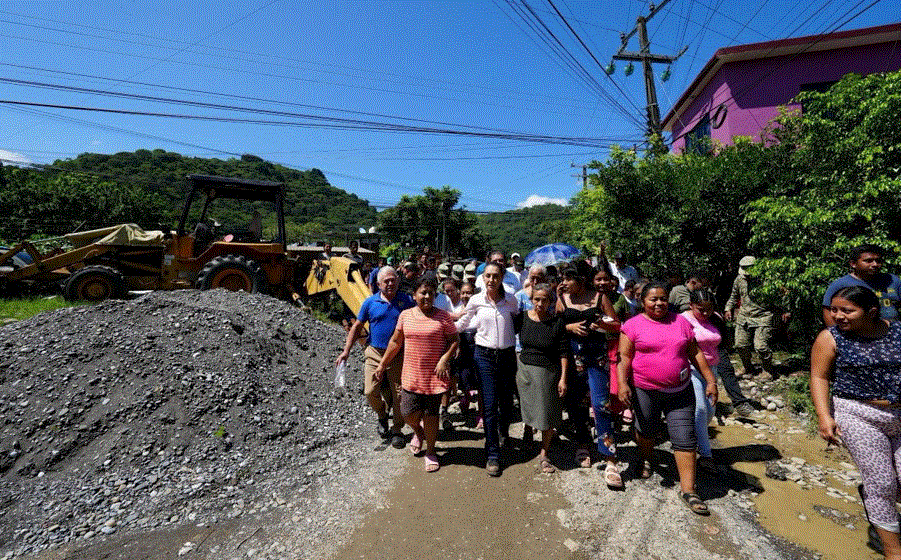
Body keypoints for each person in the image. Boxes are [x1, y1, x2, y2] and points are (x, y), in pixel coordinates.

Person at [811, 286, 901, 559]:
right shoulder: (831, 338)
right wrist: (824, 416)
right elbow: (819, 377)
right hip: (857, 413)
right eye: (834, 310)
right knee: (882, 483)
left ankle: (877, 506)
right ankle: (893, 550)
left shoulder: (898, 332)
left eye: (847, 310)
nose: (838, 316)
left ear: (871, 312)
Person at [618, 282, 718, 515]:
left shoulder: (681, 322)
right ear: (642, 301)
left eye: (663, 298)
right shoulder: (632, 325)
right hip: (645, 390)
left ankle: (689, 490)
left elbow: (694, 352)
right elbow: (624, 357)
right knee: (646, 430)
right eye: (653, 299)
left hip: (680, 391)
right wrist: (623, 384)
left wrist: (710, 380)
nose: (659, 303)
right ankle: (645, 458)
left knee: (685, 437)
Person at [375, 277, 459, 472]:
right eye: (423, 293)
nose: (427, 296)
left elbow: (454, 340)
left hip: (434, 376)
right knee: (407, 413)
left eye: (431, 293)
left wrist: (444, 359)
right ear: (414, 296)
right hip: (411, 375)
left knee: (431, 415)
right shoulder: (405, 315)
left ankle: (430, 451)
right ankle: (419, 433)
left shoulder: (443, 316)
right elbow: (396, 342)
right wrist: (382, 365)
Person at [557, 260, 623, 487]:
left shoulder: (600, 297)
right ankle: (583, 444)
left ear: (581, 280)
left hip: (597, 358)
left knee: (601, 404)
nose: (564, 282)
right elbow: (554, 327)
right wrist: (570, 327)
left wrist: (603, 325)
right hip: (572, 359)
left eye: (568, 278)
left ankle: (610, 456)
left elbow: (617, 324)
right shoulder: (563, 299)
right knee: (576, 403)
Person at [336, 267, 414, 449]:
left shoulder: (407, 301)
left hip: (398, 354)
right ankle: (381, 415)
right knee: (370, 391)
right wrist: (346, 350)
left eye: (393, 279)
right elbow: (356, 327)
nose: (390, 283)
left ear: (398, 281)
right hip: (374, 352)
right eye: (386, 281)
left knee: (399, 394)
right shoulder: (370, 302)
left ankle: (397, 430)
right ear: (378, 284)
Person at [457, 262, 519, 477]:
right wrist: (441, 330)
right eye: (488, 276)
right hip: (484, 356)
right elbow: (463, 322)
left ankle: (503, 432)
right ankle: (493, 453)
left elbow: (517, 319)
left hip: (507, 355)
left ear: (502, 277)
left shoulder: (510, 299)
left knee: (506, 401)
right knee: (490, 404)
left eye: (495, 276)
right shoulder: (476, 300)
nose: (491, 280)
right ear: (482, 278)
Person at [515, 284, 568, 473]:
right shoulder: (521, 319)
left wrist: (563, 378)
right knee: (527, 406)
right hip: (524, 369)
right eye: (537, 299)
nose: (540, 303)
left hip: (547, 372)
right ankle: (527, 432)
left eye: (544, 299)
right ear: (531, 299)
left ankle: (544, 452)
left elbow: (563, 352)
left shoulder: (556, 323)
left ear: (550, 301)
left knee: (547, 412)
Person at [725, 256, 789, 380]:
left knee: (761, 346)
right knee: (740, 345)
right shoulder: (739, 280)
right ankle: (747, 367)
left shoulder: (768, 280)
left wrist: (786, 310)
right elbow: (734, 296)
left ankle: (768, 370)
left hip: (764, 316)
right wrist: (728, 308)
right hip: (744, 316)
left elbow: (782, 295)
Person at [681, 289, 722, 468]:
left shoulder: (715, 319)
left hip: (713, 369)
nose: (705, 313)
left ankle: (694, 434)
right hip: (691, 368)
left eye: (709, 309)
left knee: (710, 410)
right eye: (700, 309)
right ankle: (706, 454)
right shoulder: (683, 320)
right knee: (700, 410)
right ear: (691, 305)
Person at [822, 244, 901, 326]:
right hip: (858, 335)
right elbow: (827, 311)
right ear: (853, 264)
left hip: (893, 332)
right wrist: (837, 335)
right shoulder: (840, 285)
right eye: (868, 261)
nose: (875, 264)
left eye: (878, 261)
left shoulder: (892, 280)